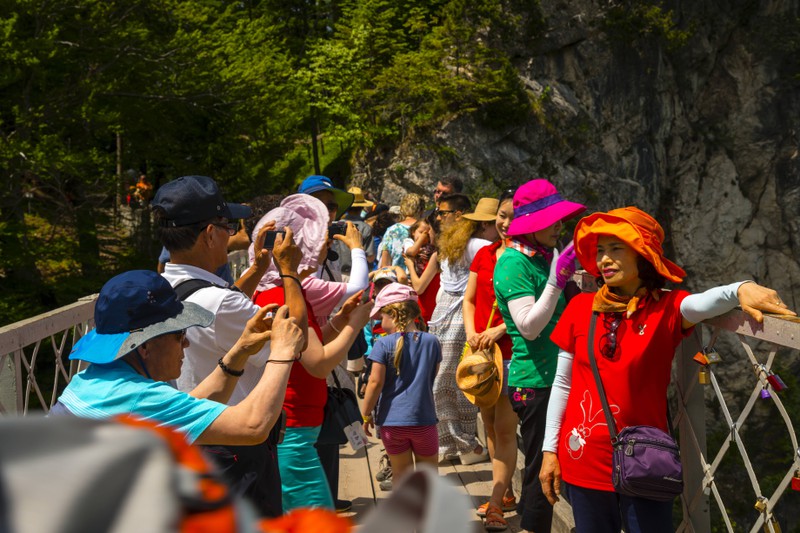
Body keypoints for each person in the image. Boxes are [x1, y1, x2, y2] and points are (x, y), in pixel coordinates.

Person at [538, 207, 796, 533]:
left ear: (642, 256)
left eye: (616, 249)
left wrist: (741, 288)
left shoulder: (667, 308)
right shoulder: (579, 308)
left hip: (646, 461)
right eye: (600, 250)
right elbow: (563, 383)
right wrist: (549, 451)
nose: (604, 259)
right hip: (583, 456)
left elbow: (705, 302)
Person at [152, 175, 299, 517]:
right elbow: (294, 342)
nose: (232, 234)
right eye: (227, 225)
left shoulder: (157, 287)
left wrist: (257, 270)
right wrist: (288, 271)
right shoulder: (224, 304)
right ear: (209, 234)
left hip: (186, 436)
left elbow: (219, 313)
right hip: (235, 447)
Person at [53, 270, 304, 449]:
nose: (187, 342)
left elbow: (181, 409)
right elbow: (253, 427)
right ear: (145, 346)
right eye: (179, 333)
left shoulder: (92, 380)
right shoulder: (138, 399)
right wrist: (282, 352)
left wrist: (239, 352)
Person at [250, 194, 372, 513]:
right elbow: (317, 364)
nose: (324, 244)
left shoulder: (278, 291)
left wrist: (338, 322)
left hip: (293, 426)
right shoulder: (286, 295)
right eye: (319, 236)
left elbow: (302, 348)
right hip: (295, 430)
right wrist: (353, 326)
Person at [492, 179, 586, 533]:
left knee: (561, 460)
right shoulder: (514, 264)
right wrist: (556, 281)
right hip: (535, 382)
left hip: (557, 376)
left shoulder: (543, 256)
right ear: (531, 224)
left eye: (561, 221)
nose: (560, 227)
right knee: (538, 469)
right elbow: (528, 327)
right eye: (553, 221)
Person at [462, 191, 518, 530]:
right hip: (482, 353)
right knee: (488, 423)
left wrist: (499, 330)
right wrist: (472, 333)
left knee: (504, 428)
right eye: (501, 215)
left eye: (512, 217)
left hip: (513, 353)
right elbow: (468, 299)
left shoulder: (527, 258)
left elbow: (537, 311)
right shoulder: (484, 254)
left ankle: (496, 502)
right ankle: (507, 490)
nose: (505, 223)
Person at [429, 193, 492, 464]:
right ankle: (455, 443)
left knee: (449, 379)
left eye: (443, 213)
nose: (439, 217)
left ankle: (465, 443)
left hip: (459, 314)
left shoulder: (477, 244)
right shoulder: (451, 242)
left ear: (459, 214)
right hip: (444, 312)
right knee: (442, 379)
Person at [361, 283, 442, 484]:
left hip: (391, 423)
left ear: (394, 315)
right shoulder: (432, 341)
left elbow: (374, 382)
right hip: (423, 420)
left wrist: (365, 414)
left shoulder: (382, 344)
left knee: (400, 477)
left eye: (382, 316)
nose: (380, 322)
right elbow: (433, 374)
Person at [402, 217, 440, 324]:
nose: (425, 235)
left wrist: (410, 265)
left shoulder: (433, 251)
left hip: (426, 304)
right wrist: (420, 239)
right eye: (421, 232)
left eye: (428, 233)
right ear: (413, 232)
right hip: (416, 288)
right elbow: (411, 252)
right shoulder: (409, 242)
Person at [378, 193, 426, 270]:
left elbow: (385, 263)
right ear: (421, 210)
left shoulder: (392, 230)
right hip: (421, 279)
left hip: (397, 278)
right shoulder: (426, 229)